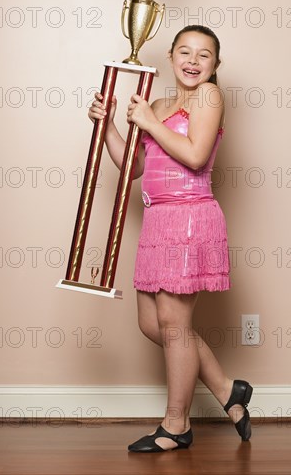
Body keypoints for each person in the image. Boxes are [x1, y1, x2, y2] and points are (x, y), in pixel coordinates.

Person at [88, 25, 253, 453]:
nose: (193, 61)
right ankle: (225, 387)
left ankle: (175, 425)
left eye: (204, 55)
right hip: (158, 221)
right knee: (152, 324)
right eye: (185, 51)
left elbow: (196, 155)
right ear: (170, 55)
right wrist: (109, 127)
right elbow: (133, 165)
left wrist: (146, 122)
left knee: (175, 326)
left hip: (190, 218)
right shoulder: (158, 104)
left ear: (216, 65)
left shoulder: (209, 98)